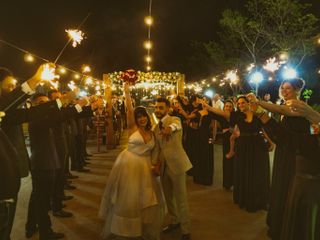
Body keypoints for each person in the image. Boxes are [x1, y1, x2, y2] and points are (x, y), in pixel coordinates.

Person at [249, 94, 320, 240]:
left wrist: (314, 115)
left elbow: (287, 137)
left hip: (311, 191)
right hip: (301, 187)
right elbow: (286, 138)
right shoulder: (311, 140)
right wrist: (262, 114)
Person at [99, 83, 163, 240]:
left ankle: (142, 228)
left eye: (144, 116)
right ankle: (125, 230)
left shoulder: (152, 132)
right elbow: (129, 109)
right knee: (127, 200)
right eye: (139, 116)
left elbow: (158, 151)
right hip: (129, 164)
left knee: (145, 199)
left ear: (147, 117)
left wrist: (157, 166)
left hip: (146, 166)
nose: (141, 118)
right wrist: (126, 92)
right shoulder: (132, 127)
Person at [203, 96, 270, 212]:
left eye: (243, 103)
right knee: (244, 171)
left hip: (257, 146)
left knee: (257, 172)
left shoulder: (256, 114)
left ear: (248, 103)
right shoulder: (236, 116)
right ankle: (245, 198)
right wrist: (209, 106)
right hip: (243, 146)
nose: (240, 105)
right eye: (238, 104)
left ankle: (258, 199)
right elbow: (221, 113)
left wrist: (270, 141)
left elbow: (264, 128)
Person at [153, 97, 192, 240]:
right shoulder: (156, 128)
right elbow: (157, 149)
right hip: (163, 167)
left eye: (161, 107)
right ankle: (175, 221)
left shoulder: (175, 120)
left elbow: (176, 126)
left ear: (168, 109)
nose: (158, 110)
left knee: (181, 198)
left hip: (177, 165)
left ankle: (186, 230)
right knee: (169, 198)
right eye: (156, 107)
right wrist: (154, 165)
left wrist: (169, 129)